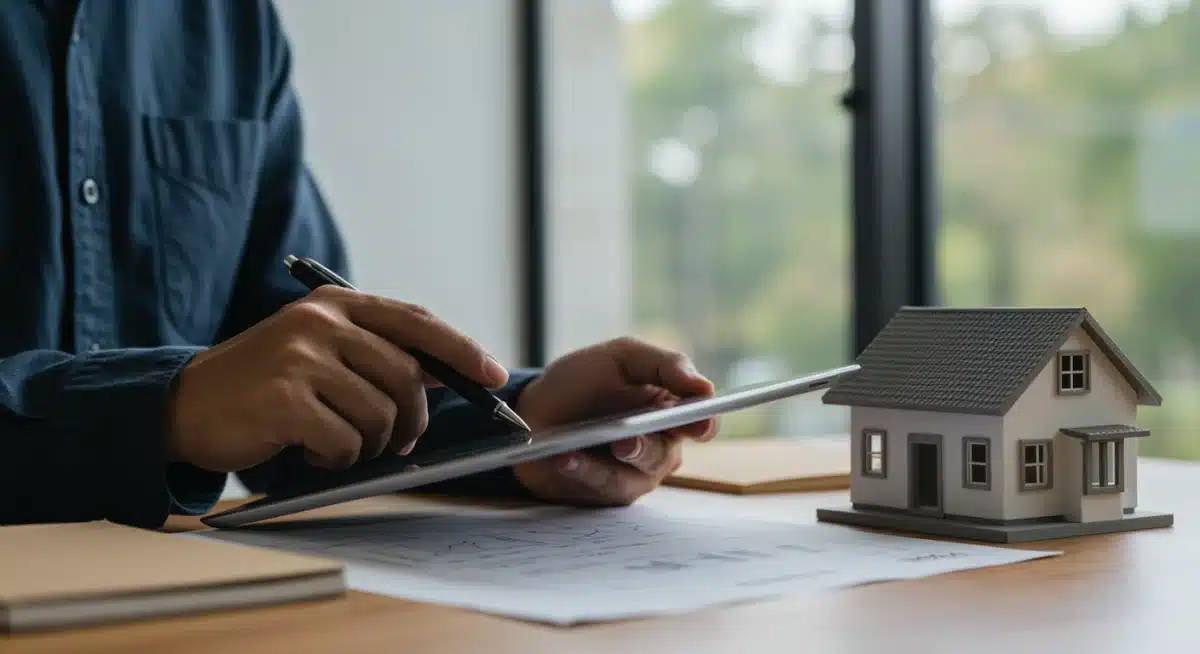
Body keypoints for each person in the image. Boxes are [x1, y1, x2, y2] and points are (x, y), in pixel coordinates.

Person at [0, 0, 718, 528]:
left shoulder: (229, 23)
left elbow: (292, 382)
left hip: (181, 607)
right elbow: (210, 396)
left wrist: (522, 427)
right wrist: (168, 409)